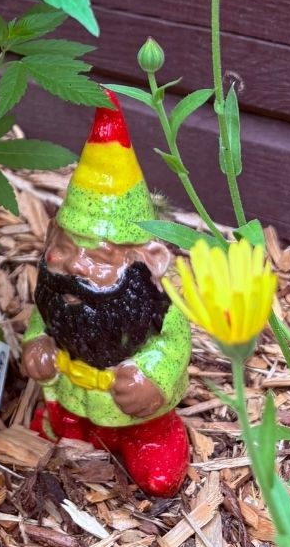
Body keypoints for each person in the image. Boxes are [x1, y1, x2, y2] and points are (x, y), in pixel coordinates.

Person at [21, 96, 191, 497]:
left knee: (149, 435)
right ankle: (69, 428)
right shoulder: (59, 296)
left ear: (148, 261)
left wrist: (151, 377)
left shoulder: (157, 307)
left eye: (98, 258)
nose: (77, 267)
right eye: (64, 249)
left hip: (136, 412)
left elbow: (174, 345)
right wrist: (38, 345)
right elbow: (41, 323)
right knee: (64, 424)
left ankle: (148, 441)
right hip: (71, 392)